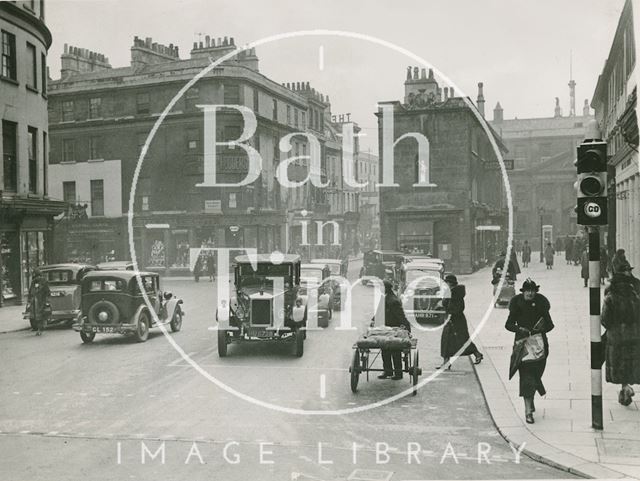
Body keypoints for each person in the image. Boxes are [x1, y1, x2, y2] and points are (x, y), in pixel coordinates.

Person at [505, 278, 554, 424]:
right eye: (527, 291)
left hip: (540, 345)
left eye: (532, 291)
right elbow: (508, 325)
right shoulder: (517, 304)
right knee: (526, 376)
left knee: (536, 374)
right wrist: (519, 329)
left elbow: (550, 325)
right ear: (523, 292)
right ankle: (527, 410)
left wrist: (541, 328)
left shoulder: (541, 304)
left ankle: (531, 397)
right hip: (523, 346)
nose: (530, 293)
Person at [601, 266, 640, 406]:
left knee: (620, 363)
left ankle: (625, 387)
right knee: (631, 362)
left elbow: (605, 320)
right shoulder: (635, 296)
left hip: (617, 338)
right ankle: (625, 389)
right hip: (635, 336)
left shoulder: (610, 298)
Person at [439, 274, 483, 369]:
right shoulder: (451, 292)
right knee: (447, 341)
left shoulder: (456, 294)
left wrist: (449, 311)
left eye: (446, 282)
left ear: (450, 283)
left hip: (456, 321)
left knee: (462, 340)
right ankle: (446, 362)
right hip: (451, 319)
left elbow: (458, 308)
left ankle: (477, 354)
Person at [375, 280, 411, 380]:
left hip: (394, 329)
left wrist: (407, 328)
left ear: (386, 288)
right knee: (385, 350)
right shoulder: (385, 297)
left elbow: (400, 316)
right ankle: (388, 371)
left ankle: (398, 373)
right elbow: (379, 311)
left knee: (395, 350)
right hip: (385, 328)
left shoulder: (393, 300)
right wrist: (374, 320)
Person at [27, 269, 50, 336]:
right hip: (34, 302)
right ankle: (38, 329)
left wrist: (47, 301)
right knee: (35, 317)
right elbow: (30, 292)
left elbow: (47, 292)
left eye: (38, 276)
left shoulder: (44, 282)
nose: (37, 278)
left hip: (41, 301)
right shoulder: (33, 282)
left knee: (41, 316)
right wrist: (29, 300)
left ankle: (40, 329)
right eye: (36, 276)